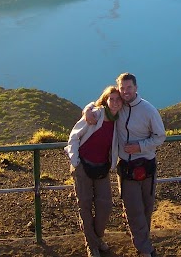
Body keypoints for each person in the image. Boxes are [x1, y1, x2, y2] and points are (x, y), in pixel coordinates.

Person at [85, 72, 166, 257]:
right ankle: (145, 249)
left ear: (136, 88)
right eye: (122, 88)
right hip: (126, 167)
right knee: (134, 209)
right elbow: (98, 104)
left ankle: (140, 238)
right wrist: (87, 110)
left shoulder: (148, 110)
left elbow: (160, 136)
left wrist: (139, 146)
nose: (125, 91)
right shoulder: (117, 106)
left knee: (146, 208)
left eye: (129, 87)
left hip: (147, 165)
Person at [66, 85, 123, 257]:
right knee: (84, 205)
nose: (114, 102)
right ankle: (92, 245)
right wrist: (75, 162)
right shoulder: (96, 115)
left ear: (122, 102)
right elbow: (74, 136)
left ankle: (96, 238)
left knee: (105, 206)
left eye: (117, 99)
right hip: (83, 166)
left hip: (102, 168)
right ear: (105, 100)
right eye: (110, 99)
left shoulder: (120, 118)